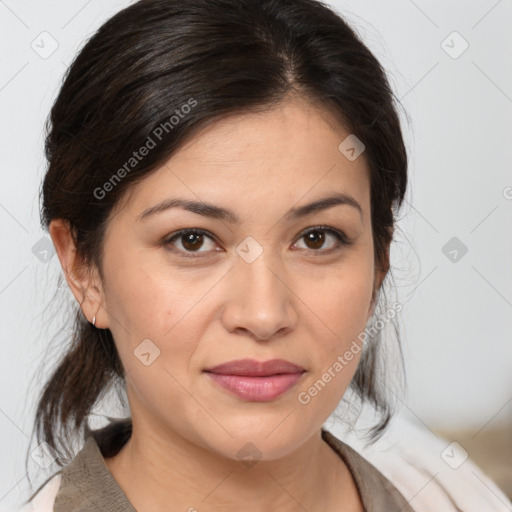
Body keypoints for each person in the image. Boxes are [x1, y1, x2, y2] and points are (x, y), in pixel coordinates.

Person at [18, 0, 511, 511]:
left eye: (317, 238)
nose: (263, 314)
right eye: (193, 240)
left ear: (379, 261)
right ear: (83, 271)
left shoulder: (455, 494)